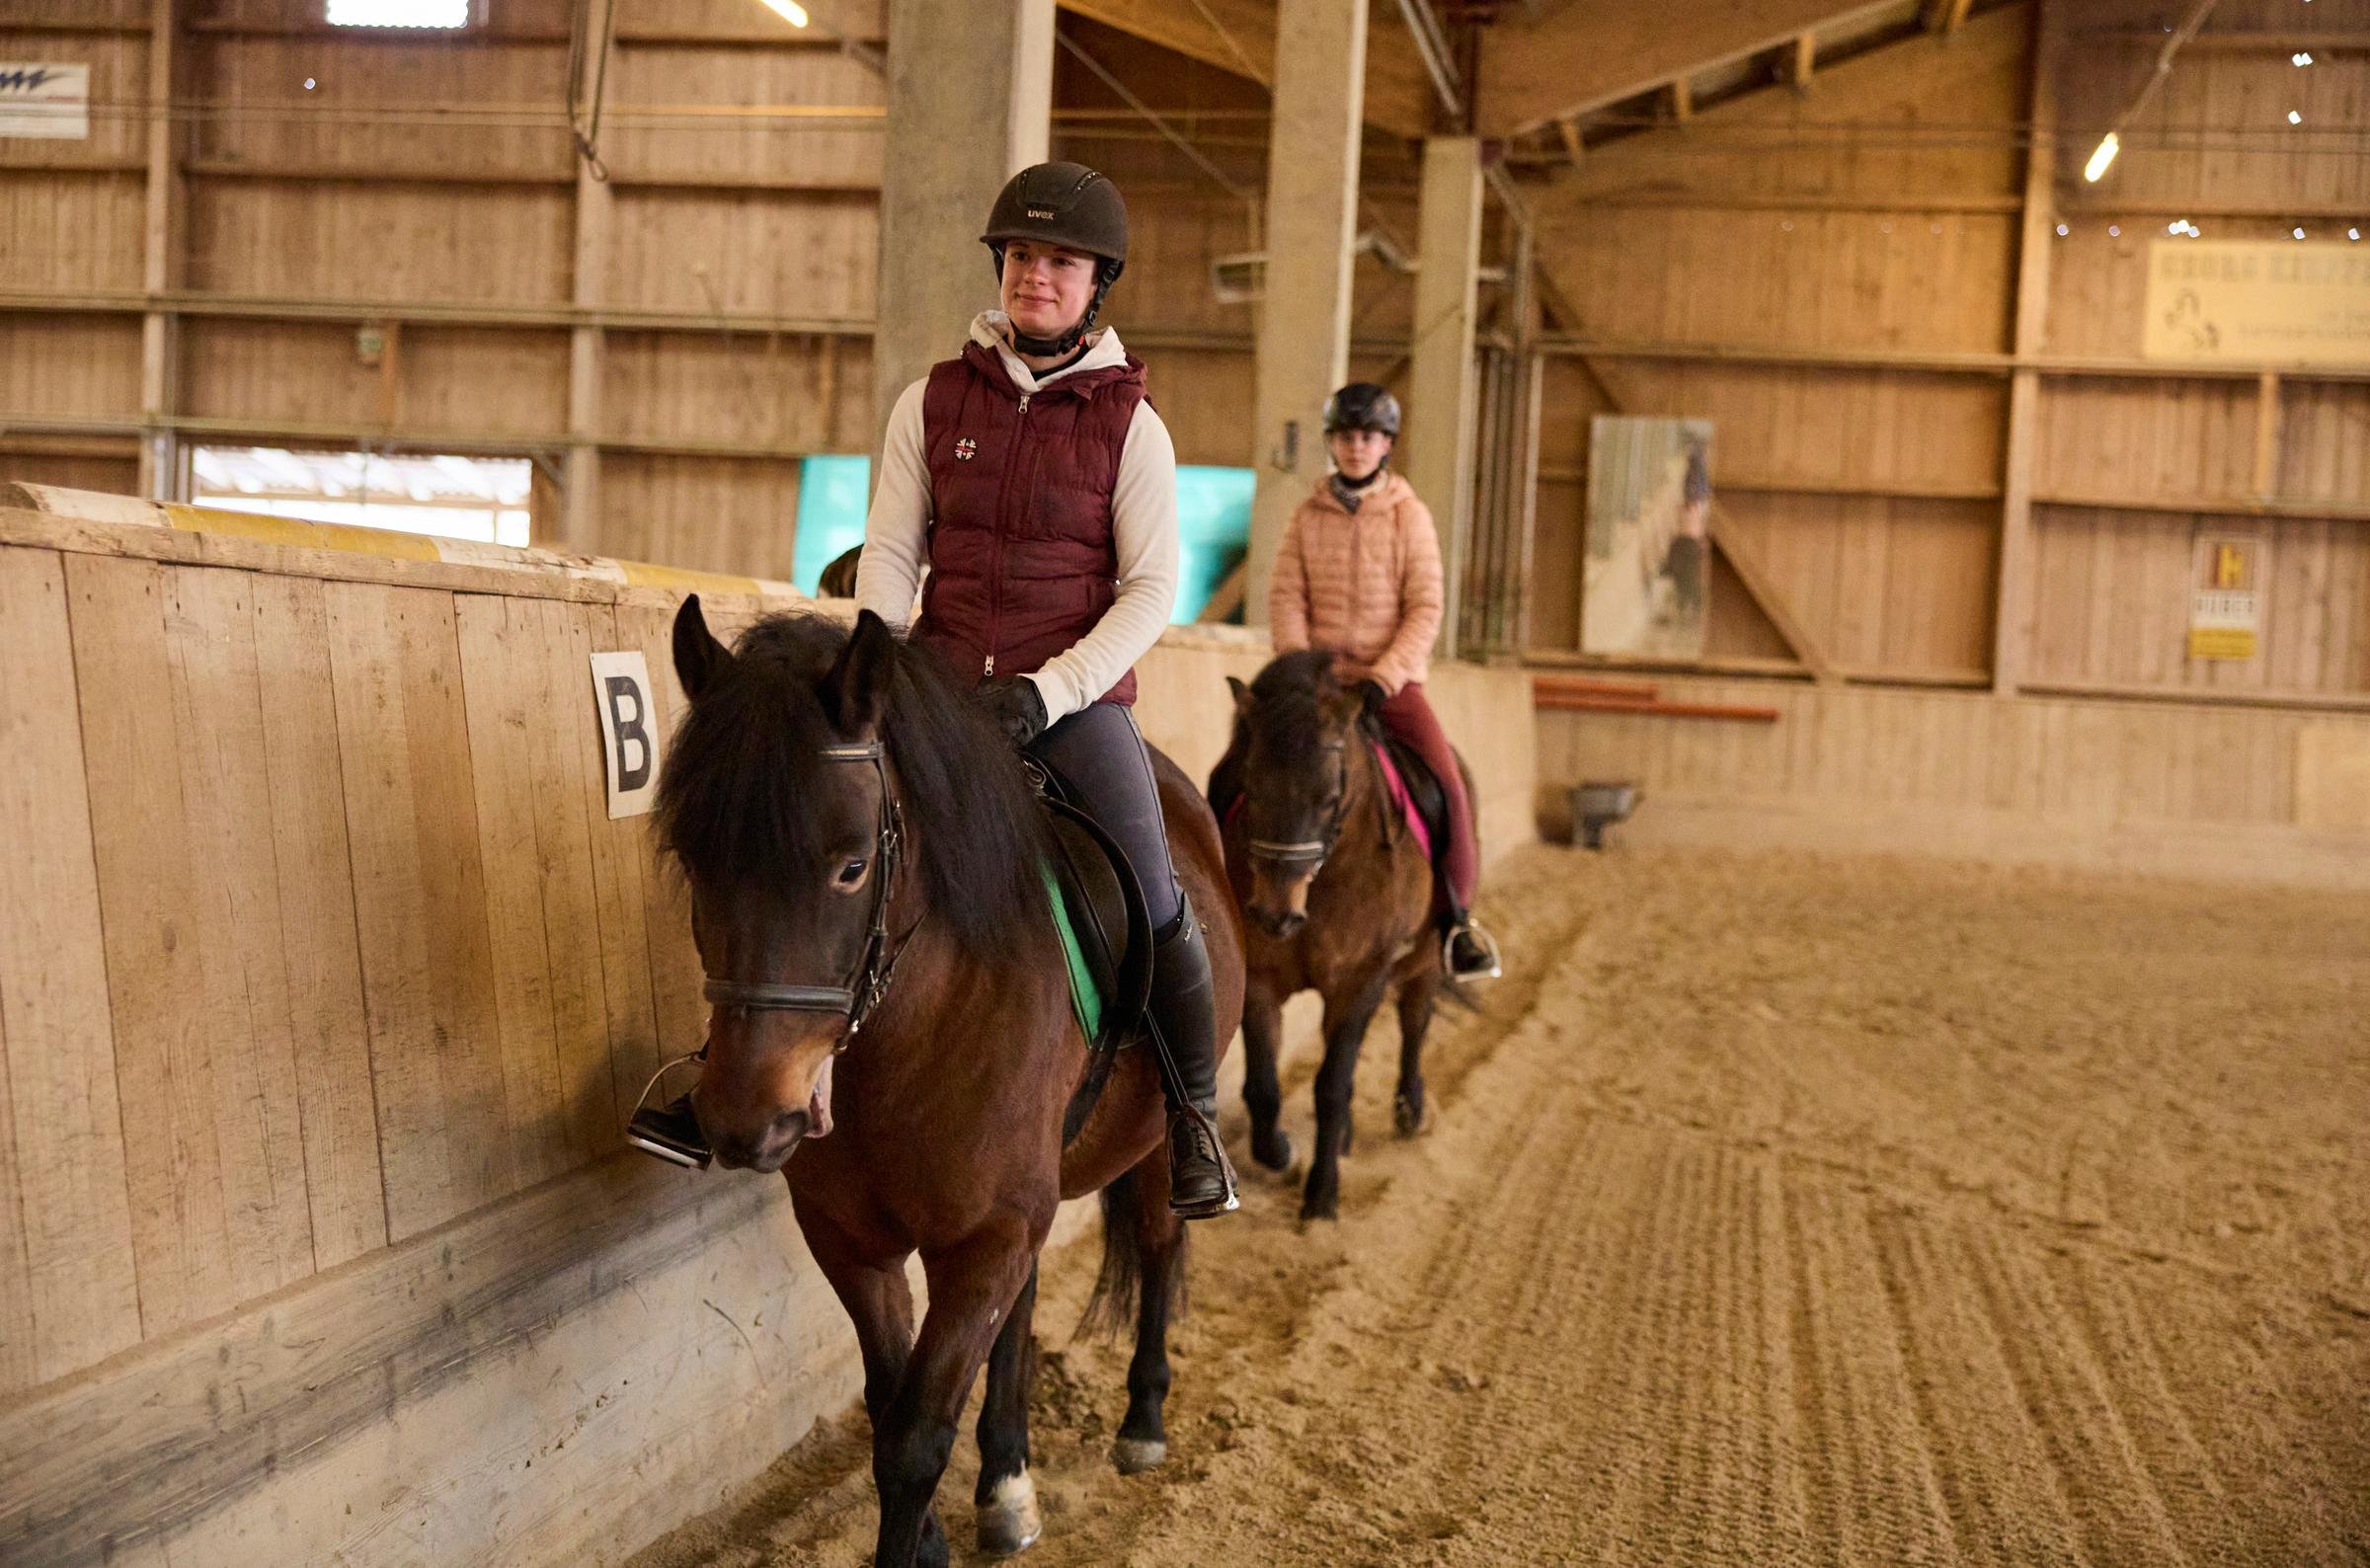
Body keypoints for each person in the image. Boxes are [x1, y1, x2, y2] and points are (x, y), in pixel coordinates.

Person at [853, 161, 1237, 1218]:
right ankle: (732, 1065)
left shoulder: (1134, 428)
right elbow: (891, 549)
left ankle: (1195, 1119)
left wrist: (1050, 690)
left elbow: (1152, 590)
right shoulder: (930, 400)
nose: (1037, 276)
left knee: (1159, 899)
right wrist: (883, 660)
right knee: (817, 840)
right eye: (1022, 257)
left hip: (1070, 707)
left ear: (1095, 284)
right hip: (933, 696)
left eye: (1060, 262)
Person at [1263, 381, 1501, 981]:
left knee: (1447, 787)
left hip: (1388, 684)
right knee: (1240, 773)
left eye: (1367, 437)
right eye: (1345, 436)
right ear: (1333, 443)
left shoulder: (1409, 516)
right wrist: (1299, 668)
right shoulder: (1306, 515)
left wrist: (1384, 676)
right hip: (1317, 684)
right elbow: (1287, 595)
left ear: (1386, 445)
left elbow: (1425, 607)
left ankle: (1457, 924)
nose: (1355, 447)